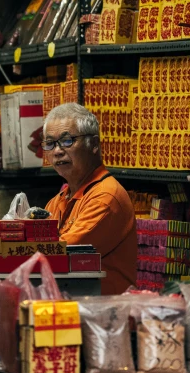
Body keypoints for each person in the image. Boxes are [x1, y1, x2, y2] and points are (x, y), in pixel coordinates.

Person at [42, 103, 137, 295]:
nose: (57, 151)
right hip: (72, 308)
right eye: (50, 143)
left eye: (67, 141)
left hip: (104, 315)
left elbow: (58, 253)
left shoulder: (105, 197)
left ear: (94, 144)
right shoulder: (58, 201)